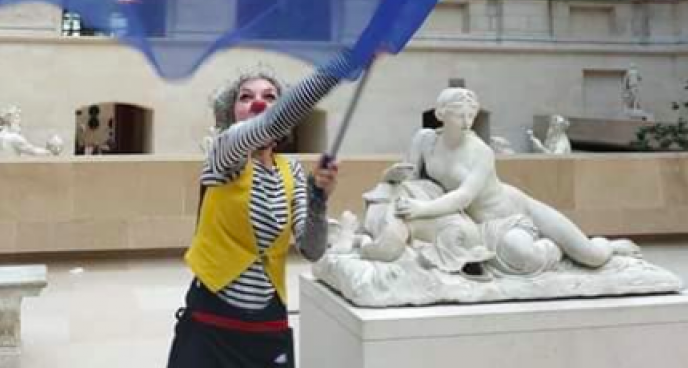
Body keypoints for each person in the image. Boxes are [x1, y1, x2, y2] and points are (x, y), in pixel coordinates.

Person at [166, 55, 357, 368]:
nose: (258, 102)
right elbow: (268, 123)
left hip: (268, 327)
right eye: (246, 96)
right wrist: (345, 63)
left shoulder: (291, 170)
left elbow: (312, 248)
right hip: (211, 323)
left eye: (270, 97)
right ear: (231, 112)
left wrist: (319, 199)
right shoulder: (224, 152)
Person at [391, 88, 637, 273]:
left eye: (471, 116)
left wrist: (422, 208)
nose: (467, 122)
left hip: (510, 213)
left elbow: (464, 196)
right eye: (460, 116)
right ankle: (550, 248)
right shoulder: (424, 140)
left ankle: (604, 246)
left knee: (592, 255)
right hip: (473, 225)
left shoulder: (480, 152)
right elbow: (409, 178)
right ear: (440, 114)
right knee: (522, 255)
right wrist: (389, 180)